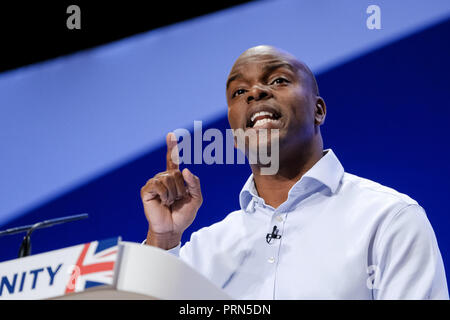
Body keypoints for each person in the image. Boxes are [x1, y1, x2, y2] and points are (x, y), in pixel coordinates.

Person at [139, 45, 448, 299]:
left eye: (278, 81)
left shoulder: (387, 219)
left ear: (318, 110)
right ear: (235, 135)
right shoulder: (204, 250)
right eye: (238, 91)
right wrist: (162, 239)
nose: (255, 93)